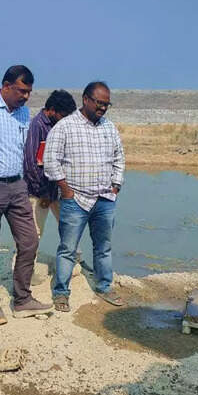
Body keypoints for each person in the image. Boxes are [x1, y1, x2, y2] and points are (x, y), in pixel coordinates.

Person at [0, 65, 53, 325]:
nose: (26, 96)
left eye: (29, 92)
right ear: (5, 85)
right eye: (21, 91)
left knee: (29, 242)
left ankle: (22, 299)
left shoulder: (23, 112)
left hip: (17, 186)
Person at [44, 81, 126, 312]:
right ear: (86, 99)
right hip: (75, 200)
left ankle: (104, 286)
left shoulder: (109, 128)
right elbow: (51, 161)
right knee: (68, 249)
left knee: (103, 247)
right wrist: (65, 189)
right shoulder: (65, 127)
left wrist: (116, 185)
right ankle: (61, 292)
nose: (102, 108)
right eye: (99, 103)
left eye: (106, 104)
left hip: (105, 200)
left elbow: (119, 158)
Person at [23, 89, 80, 267]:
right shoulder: (38, 125)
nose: (65, 119)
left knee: (70, 226)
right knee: (35, 233)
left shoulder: (61, 125)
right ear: (52, 110)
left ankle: (74, 264)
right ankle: (25, 273)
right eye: (63, 115)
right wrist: (44, 193)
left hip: (59, 187)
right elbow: (31, 163)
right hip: (39, 190)